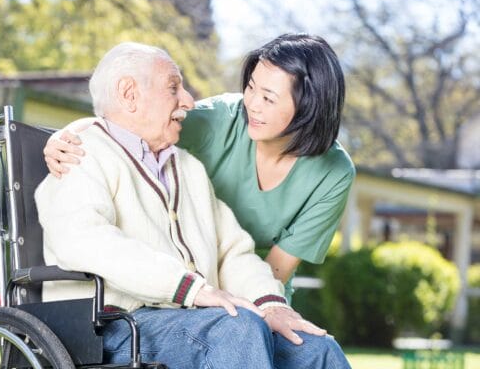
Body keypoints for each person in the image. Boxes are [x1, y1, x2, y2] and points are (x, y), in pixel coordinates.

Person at [35, 41, 351, 368]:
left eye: (268, 97)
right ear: (129, 94)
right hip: (110, 325)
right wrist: (191, 289)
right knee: (237, 328)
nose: (188, 101)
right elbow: (85, 241)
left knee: (316, 349)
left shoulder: (186, 168)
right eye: (174, 88)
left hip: (189, 322)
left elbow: (232, 251)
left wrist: (272, 305)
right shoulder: (80, 156)